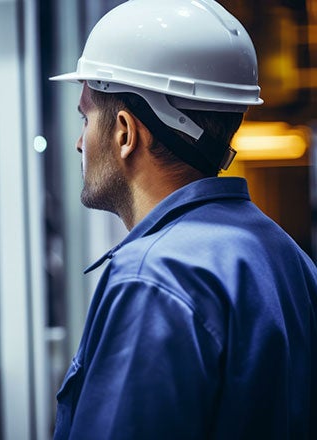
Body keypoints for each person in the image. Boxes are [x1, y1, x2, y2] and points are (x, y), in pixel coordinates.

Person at [49, 0, 317, 438]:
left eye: (85, 117)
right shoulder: (286, 257)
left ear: (124, 132)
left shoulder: (152, 278)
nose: (80, 142)